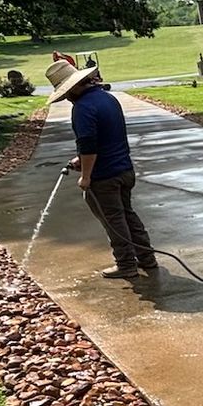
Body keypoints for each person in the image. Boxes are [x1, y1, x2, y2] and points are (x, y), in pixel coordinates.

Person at [44, 59, 157, 279]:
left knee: (113, 220)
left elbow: (89, 146)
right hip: (124, 170)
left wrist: (85, 176)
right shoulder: (108, 99)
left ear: (75, 87)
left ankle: (126, 265)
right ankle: (147, 258)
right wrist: (81, 160)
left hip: (105, 177)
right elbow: (107, 138)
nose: (66, 96)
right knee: (127, 214)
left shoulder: (83, 109)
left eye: (66, 92)